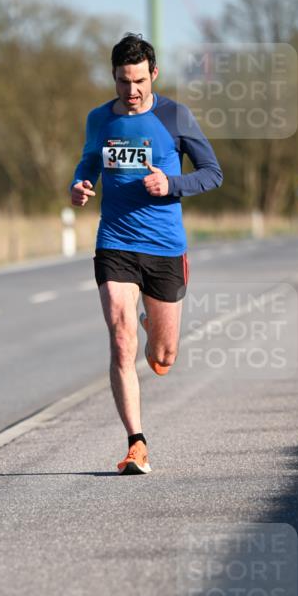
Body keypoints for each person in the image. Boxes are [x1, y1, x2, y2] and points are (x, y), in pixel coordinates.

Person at [70, 32, 223, 474]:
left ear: (153, 74)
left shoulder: (175, 116)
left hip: (164, 249)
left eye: (139, 81)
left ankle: (152, 324)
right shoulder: (99, 119)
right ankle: (136, 443)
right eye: (122, 81)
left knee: (162, 356)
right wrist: (80, 184)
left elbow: (213, 174)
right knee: (121, 338)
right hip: (114, 242)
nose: (131, 91)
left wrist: (171, 185)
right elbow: (88, 162)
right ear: (113, 77)